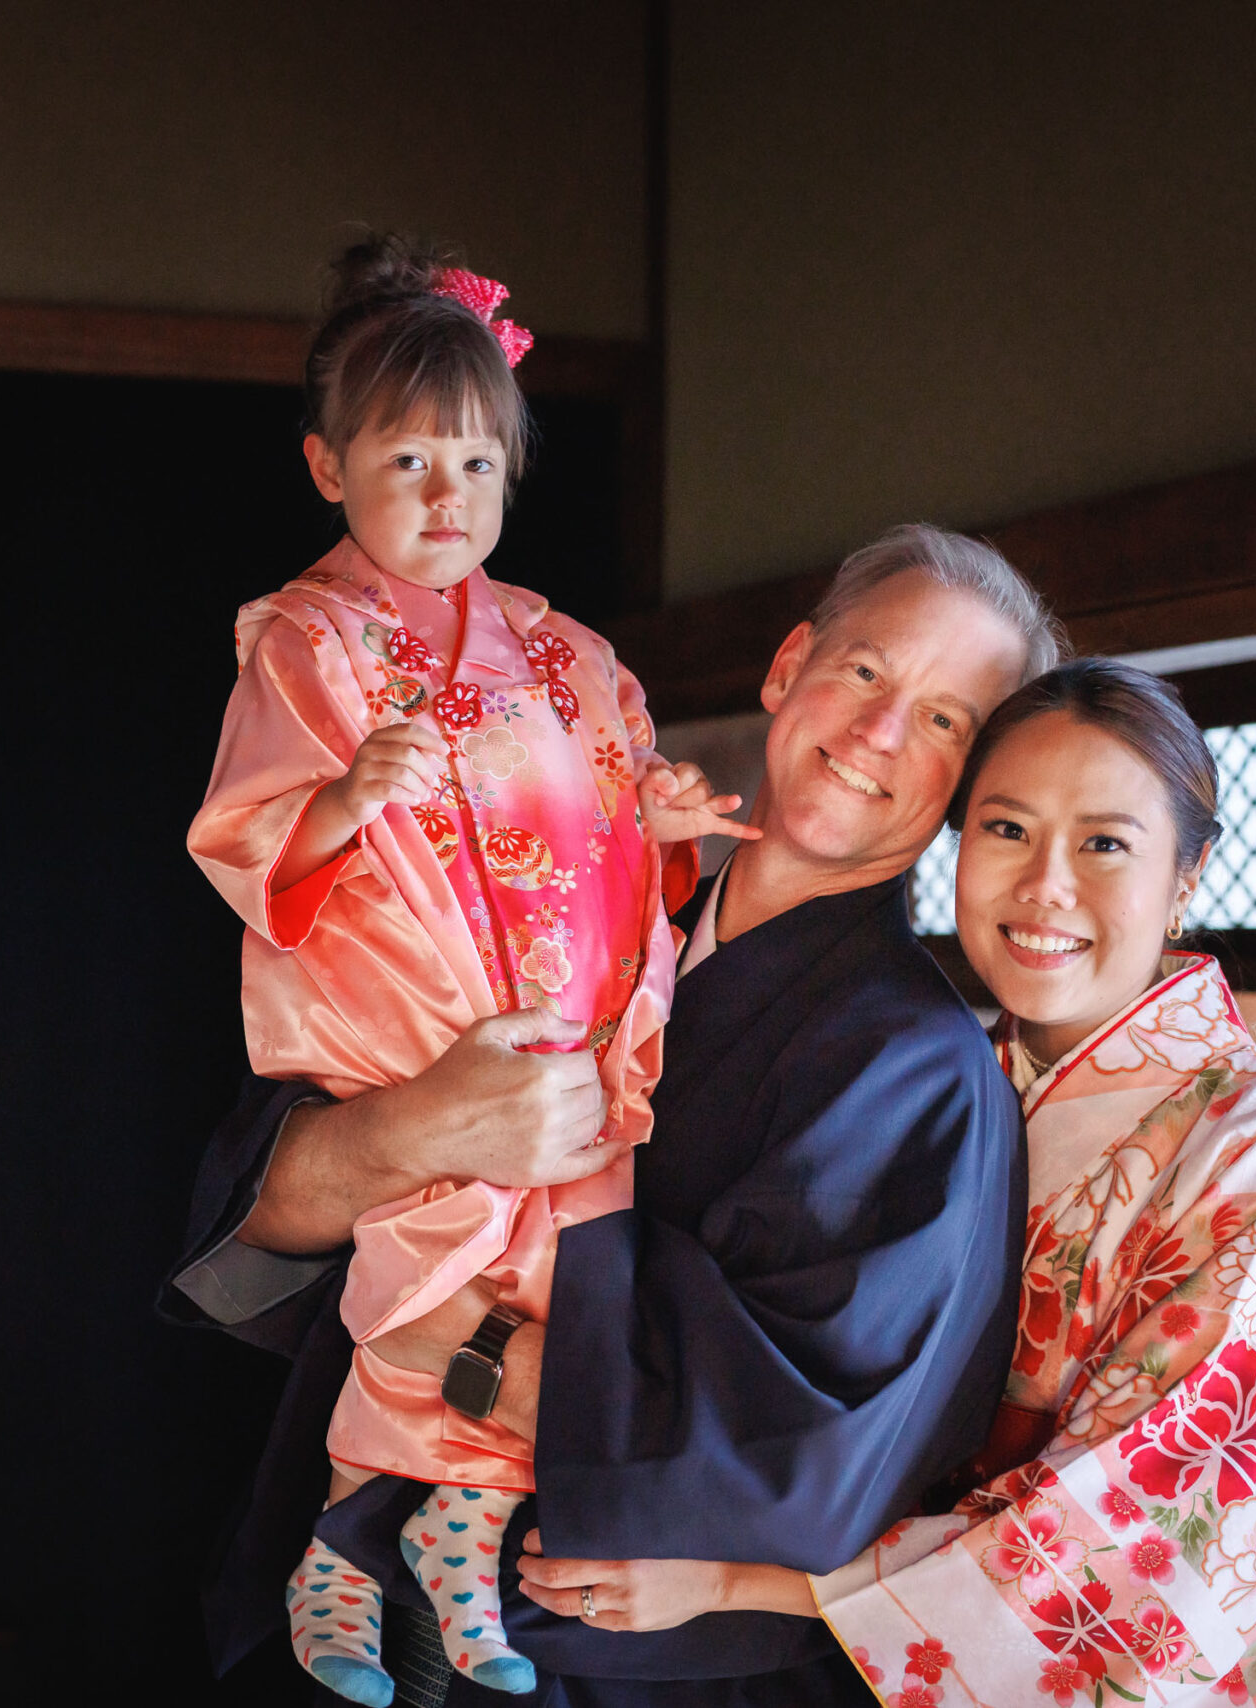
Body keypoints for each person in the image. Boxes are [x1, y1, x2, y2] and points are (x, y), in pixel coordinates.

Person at [168, 522, 1060, 1704]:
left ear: (967, 785)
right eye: (864, 670)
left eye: (946, 720)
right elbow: (263, 1221)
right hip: (347, 1592)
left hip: (611, 1672)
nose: (879, 733)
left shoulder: (919, 1070)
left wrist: (471, 1353)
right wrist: (416, 1129)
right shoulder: (568, 908)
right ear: (788, 663)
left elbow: (810, 1463)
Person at [517, 661, 1256, 1707]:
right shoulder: (957, 1067)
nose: (1045, 885)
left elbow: (1140, 1552)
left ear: (1187, 876)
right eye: (1005, 830)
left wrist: (742, 1578)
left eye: (1104, 843)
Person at [186, 234, 756, 1701]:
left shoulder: (575, 654)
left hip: (568, 1027)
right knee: (442, 1261)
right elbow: (249, 835)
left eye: (477, 468)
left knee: (570, 1283)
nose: (449, 500)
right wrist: (343, 799)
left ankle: (457, 1525)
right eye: (409, 464)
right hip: (423, 1019)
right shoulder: (307, 642)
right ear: (328, 467)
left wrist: (667, 829)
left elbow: (612, 834)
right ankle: (336, 1549)